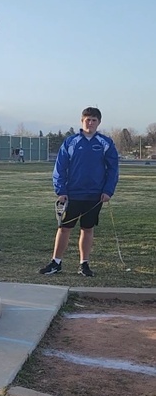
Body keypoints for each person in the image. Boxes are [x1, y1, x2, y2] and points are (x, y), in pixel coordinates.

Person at [39, 107, 119, 277]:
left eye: (94, 120)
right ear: (82, 121)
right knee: (64, 228)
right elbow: (60, 167)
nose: (90, 123)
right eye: (87, 120)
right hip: (72, 194)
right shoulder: (71, 142)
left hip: (95, 195)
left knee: (87, 228)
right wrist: (61, 190)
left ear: (99, 122)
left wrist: (108, 190)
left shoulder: (105, 143)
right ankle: (56, 262)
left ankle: (84, 264)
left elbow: (113, 169)